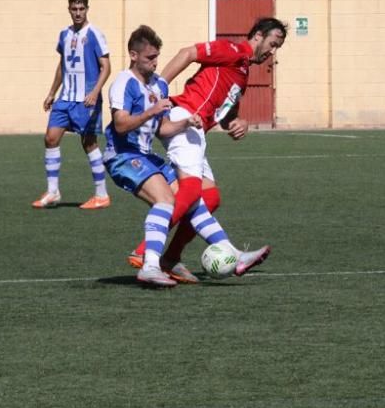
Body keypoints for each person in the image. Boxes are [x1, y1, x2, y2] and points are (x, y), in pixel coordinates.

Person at [106, 24, 275, 287]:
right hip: (125, 154)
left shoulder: (242, 73)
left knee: (204, 198)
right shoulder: (125, 82)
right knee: (170, 198)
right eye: (273, 42)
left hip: (176, 133)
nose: (273, 51)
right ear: (258, 36)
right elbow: (120, 125)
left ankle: (222, 253)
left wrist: (235, 122)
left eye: (156, 58)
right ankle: (146, 256)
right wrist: (159, 93)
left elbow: (217, 114)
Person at [32, 0, 113, 210]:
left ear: (87, 9)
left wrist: (95, 92)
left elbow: (106, 67)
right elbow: (62, 66)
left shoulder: (95, 33)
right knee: (50, 138)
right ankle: (52, 191)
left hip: (86, 99)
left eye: (81, 9)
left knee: (88, 143)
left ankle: (102, 194)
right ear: (69, 9)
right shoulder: (64, 35)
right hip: (65, 99)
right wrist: (51, 92)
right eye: (74, 9)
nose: (78, 13)